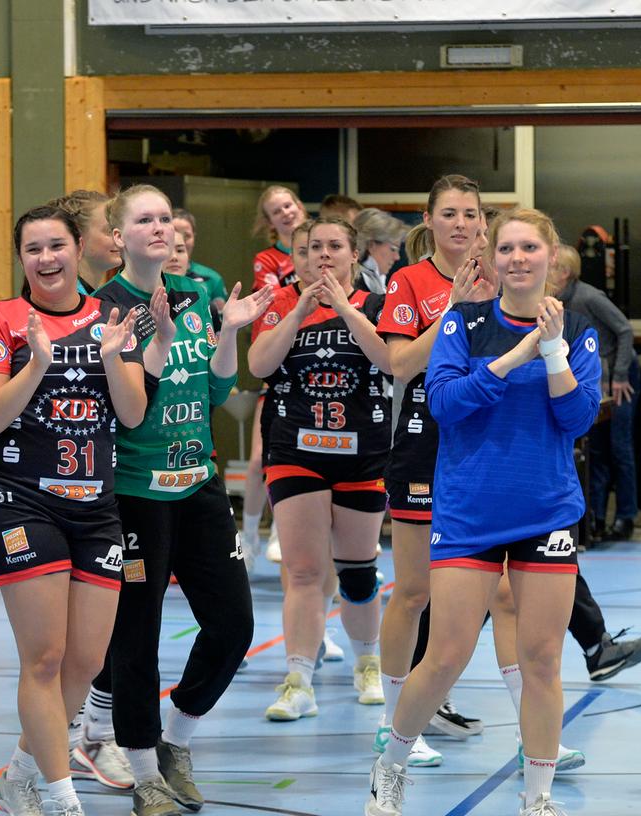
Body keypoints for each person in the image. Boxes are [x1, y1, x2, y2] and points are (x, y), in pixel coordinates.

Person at [367, 208, 602, 816]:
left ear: (551, 256)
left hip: (546, 512)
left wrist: (551, 355)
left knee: (543, 658)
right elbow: (445, 404)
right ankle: (391, 765)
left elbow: (576, 421)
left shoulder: (577, 330)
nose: (518, 259)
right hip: (469, 514)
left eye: (530, 247)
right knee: (445, 655)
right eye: (507, 249)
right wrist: (516, 354)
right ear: (492, 259)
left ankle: (538, 797)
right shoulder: (461, 324)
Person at [94, 185, 270, 816]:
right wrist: (154, 339)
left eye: (166, 218)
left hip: (198, 483)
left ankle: (176, 742)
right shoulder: (105, 308)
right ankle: (143, 773)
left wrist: (227, 332)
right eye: (145, 220)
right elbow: (129, 411)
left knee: (233, 623)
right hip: (135, 493)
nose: (161, 228)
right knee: (135, 638)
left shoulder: (194, 296)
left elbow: (220, 388)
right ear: (118, 237)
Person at [0, 205, 147, 816]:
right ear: (20, 258)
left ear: (78, 250)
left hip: (95, 507)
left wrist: (110, 356)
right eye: (33, 249)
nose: (46, 259)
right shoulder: (2, 319)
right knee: (43, 657)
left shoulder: (113, 317)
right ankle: (59, 793)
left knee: (86, 660)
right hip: (20, 502)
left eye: (56, 246)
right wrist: (39, 362)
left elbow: (131, 414)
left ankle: (19, 773)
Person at [373, 175, 496, 766]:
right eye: (448, 213)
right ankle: (395, 721)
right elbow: (398, 363)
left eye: (470, 213)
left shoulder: (506, 274)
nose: (461, 223)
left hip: (490, 448)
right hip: (424, 445)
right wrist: (452, 310)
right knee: (415, 591)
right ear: (429, 218)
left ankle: (536, 733)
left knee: (506, 596)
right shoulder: (410, 281)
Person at [248, 217, 390, 721]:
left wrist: (345, 310)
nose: (322, 255)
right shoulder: (282, 303)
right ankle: (298, 681)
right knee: (304, 570)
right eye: (310, 248)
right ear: (296, 257)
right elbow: (259, 365)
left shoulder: (377, 303)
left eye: (333, 246)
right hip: (295, 451)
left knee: (357, 570)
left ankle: (368, 665)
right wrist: (300, 311)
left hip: (362, 452)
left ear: (354, 254)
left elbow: (392, 360)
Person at [549, 245, 639, 541]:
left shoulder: (589, 297)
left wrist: (620, 374)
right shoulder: (554, 301)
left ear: (564, 272)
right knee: (596, 449)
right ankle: (596, 519)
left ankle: (626, 517)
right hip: (596, 377)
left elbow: (624, 330)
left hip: (619, 376)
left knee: (619, 448)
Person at [240, 190, 309, 562]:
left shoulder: (320, 245)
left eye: (289, 205)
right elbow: (274, 299)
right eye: (276, 211)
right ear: (269, 222)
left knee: (304, 460)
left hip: (313, 369)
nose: (285, 212)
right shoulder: (267, 259)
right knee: (257, 461)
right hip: (278, 366)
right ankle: (249, 536)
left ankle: (282, 533)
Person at [52, 190, 122, 294]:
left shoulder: (96, 296)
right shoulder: (64, 301)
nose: (120, 238)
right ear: (76, 236)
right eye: (109, 230)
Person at [171, 208, 228, 318]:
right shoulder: (151, 278)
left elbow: (221, 325)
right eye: (174, 233)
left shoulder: (212, 278)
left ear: (194, 238)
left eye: (186, 236)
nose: (181, 240)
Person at [353, 208, 408, 296]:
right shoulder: (353, 286)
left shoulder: (373, 283)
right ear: (371, 245)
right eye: (393, 249)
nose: (397, 257)